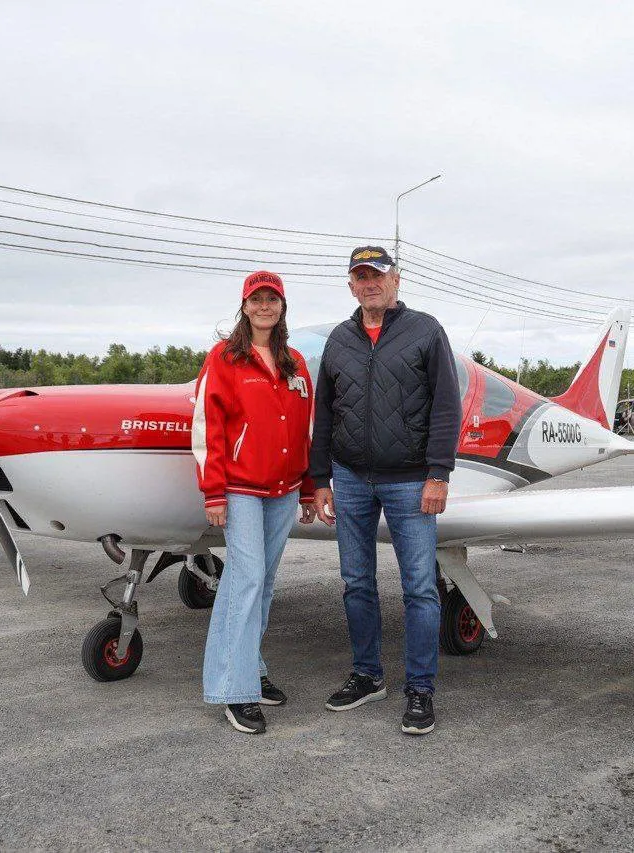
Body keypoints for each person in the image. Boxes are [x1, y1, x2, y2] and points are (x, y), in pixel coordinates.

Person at [309, 246, 462, 736]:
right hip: (350, 478)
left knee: (419, 587)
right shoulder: (340, 339)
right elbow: (325, 415)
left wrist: (438, 473)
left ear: (396, 280)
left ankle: (419, 688)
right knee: (356, 582)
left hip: (411, 479)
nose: (369, 283)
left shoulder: (425, 330)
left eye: (377, 275)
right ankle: (367, 673)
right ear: (351, 286)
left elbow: (445, 405)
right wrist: (319, 479)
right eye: (360, 277)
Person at [191, 270, 317, 734]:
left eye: (273, 299)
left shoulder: (295, 362)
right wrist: (214, 491)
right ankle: (232, 689)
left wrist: (305, 487)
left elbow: (305, 427)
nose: (265, 306)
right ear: (244, 306)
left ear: (282, 307)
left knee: (262, 583)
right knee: (243, 582)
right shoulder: (225, 359)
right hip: (242, 489)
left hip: (283, 491)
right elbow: (208, 429)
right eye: (256, 299)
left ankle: (253, 670)